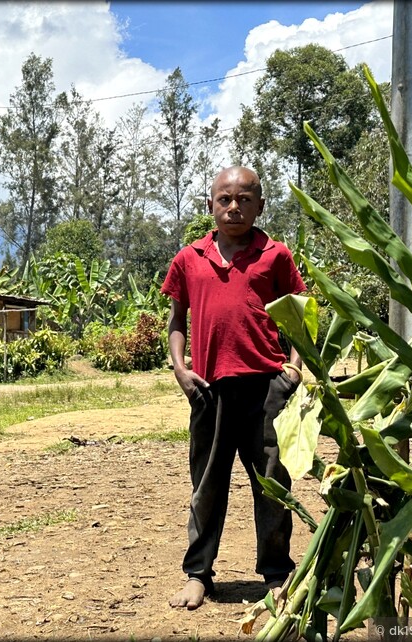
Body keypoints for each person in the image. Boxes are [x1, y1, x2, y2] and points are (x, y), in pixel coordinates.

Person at [161, 166, 306, 610]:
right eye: (225, 199)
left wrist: (294, 369)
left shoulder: (276, 256)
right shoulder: (189, 258)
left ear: (260, 205)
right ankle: (199, 574)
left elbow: (298, 318)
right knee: (207, 484)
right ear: (210, 205)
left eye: (245, 199)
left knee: (272, 483)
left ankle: (277, 574)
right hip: (209, 390)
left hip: (267, 389)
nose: (234, 207)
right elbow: (176, 320)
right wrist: (181, 370)